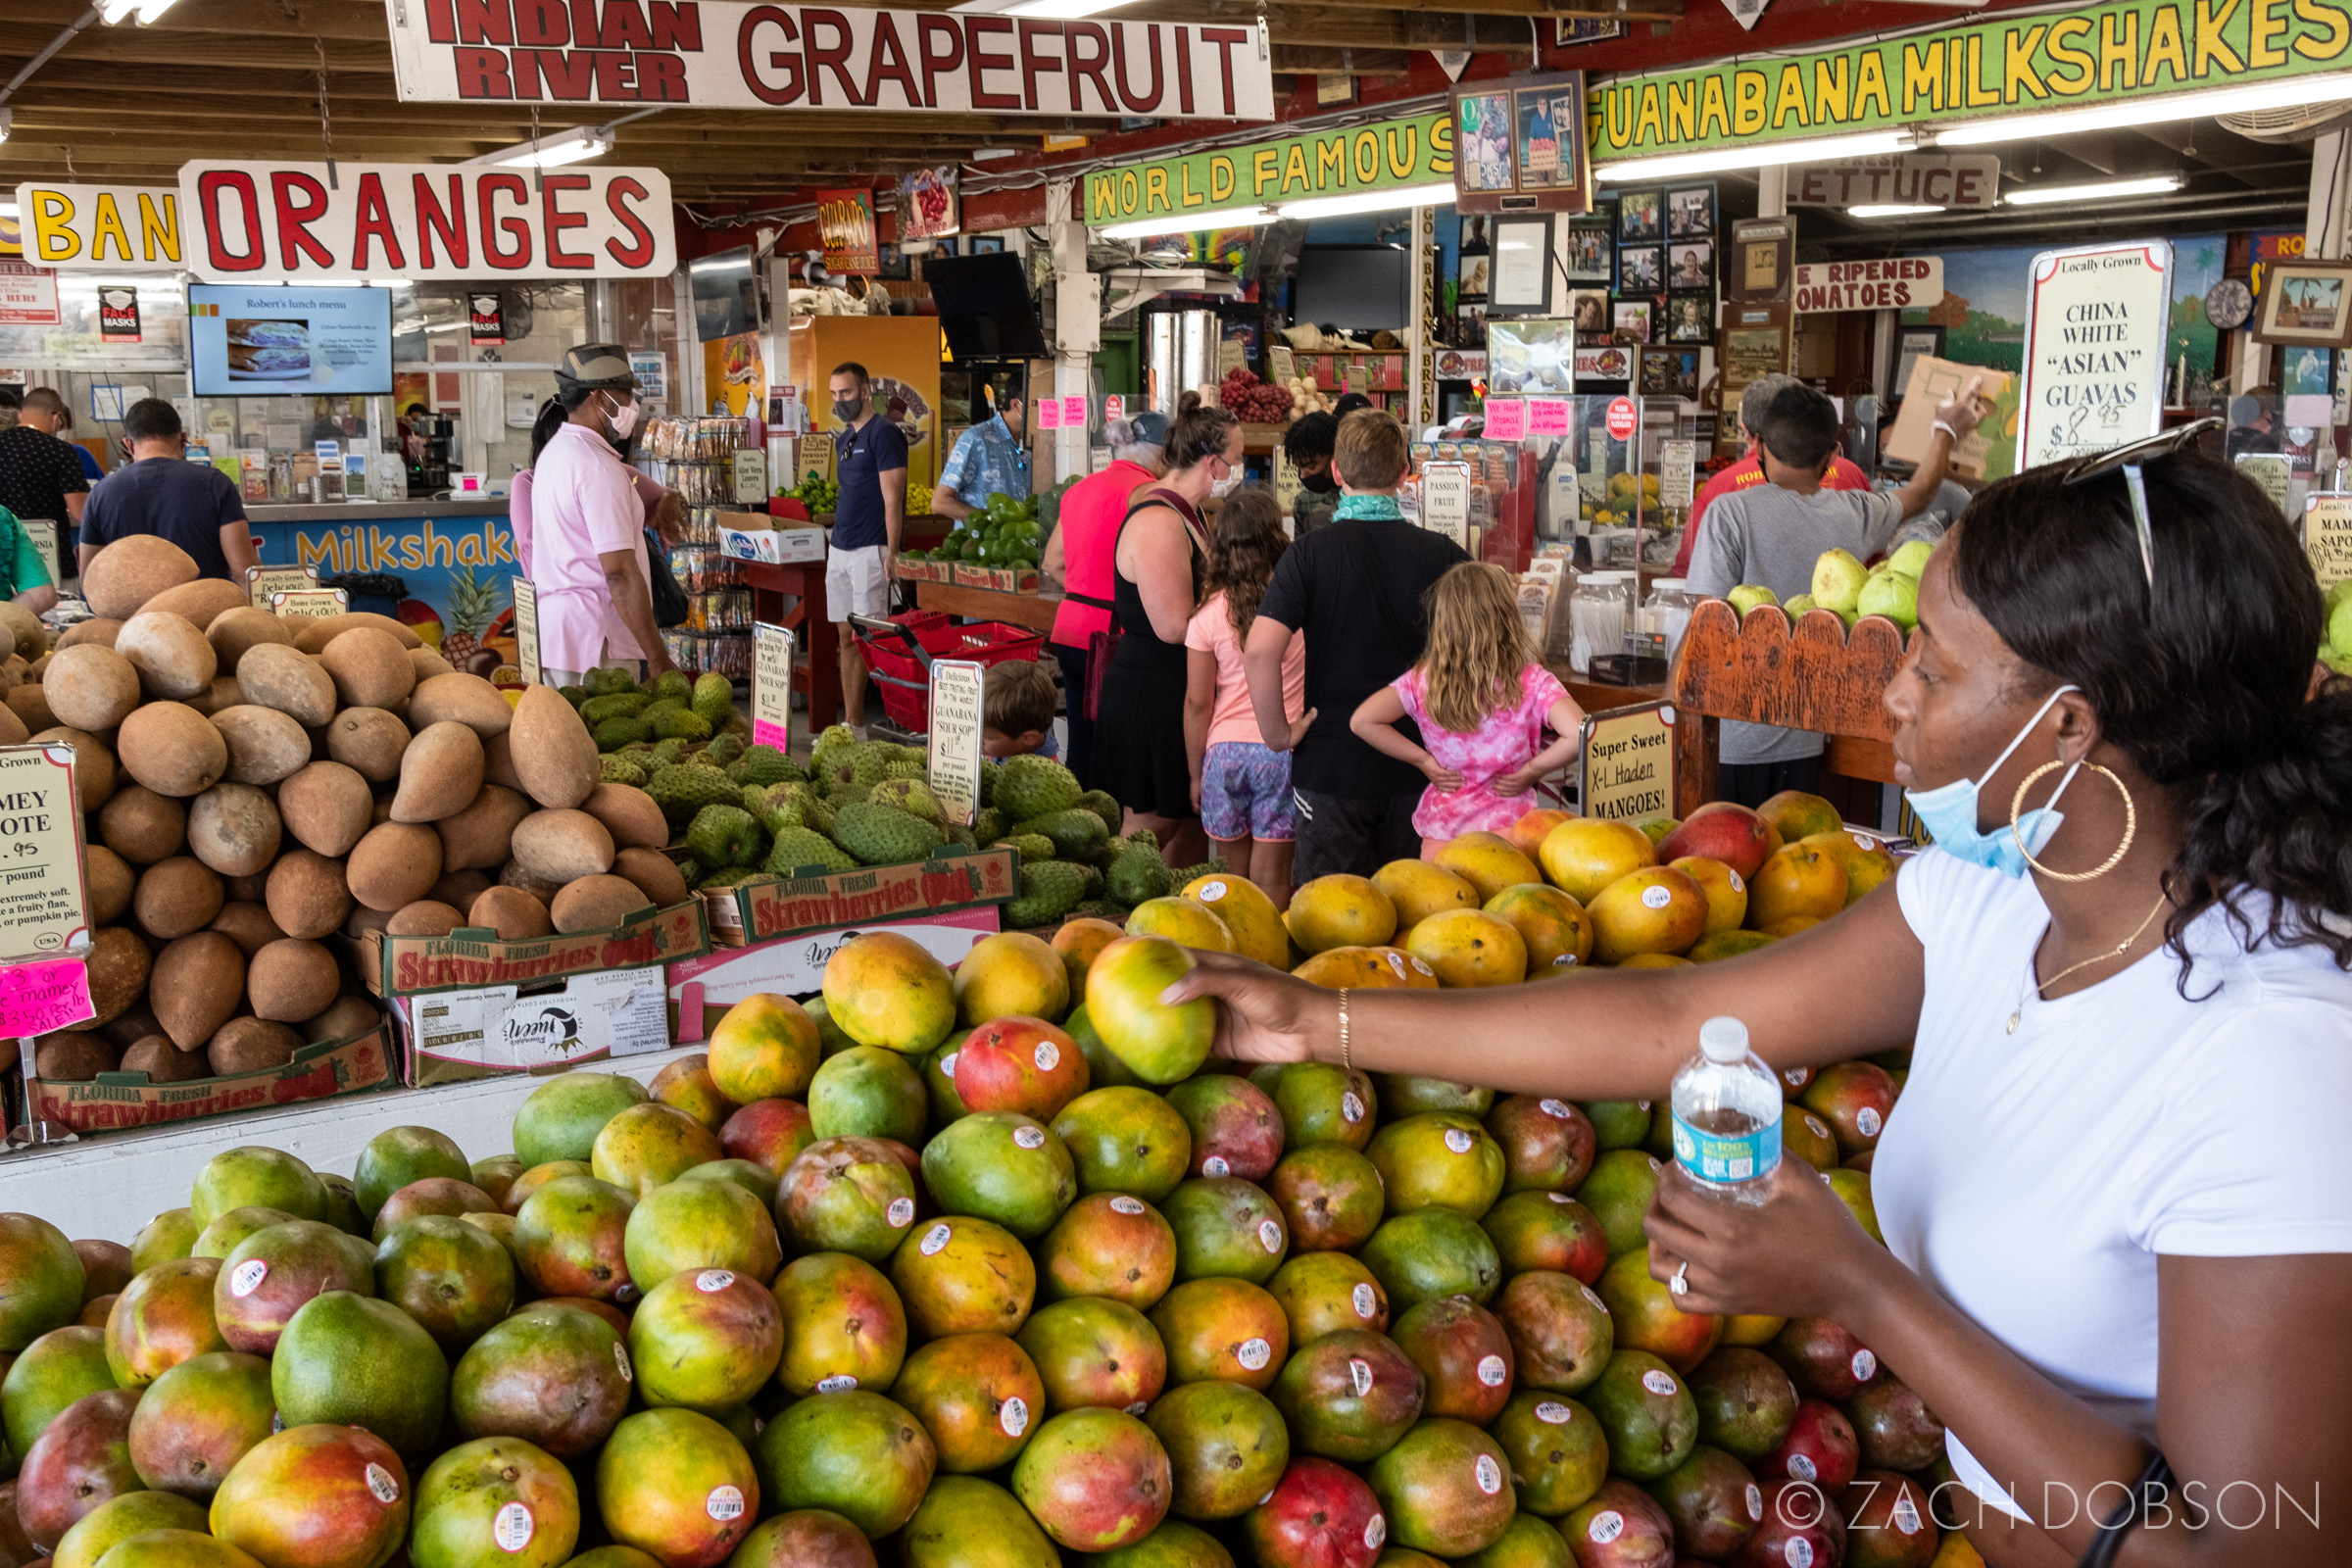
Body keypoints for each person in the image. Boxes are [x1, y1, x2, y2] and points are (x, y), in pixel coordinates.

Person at [1173, 435, 2352, 1568]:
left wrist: (1856, 1285)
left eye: (1932, 665)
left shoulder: (2270, 1056)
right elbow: (1673, 1021)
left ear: (2070, 725)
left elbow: (2252, 1544)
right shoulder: (1989, 901)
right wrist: (1308, 1018)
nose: (1892, 691)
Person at [1689, 380, 1977, 808]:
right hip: (1807, 733)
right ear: (1831, 456)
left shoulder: (1729, 514)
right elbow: (1921, 493)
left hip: (1733, 734)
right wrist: (1944, 432)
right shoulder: (1854, 514)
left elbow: (1703, 623)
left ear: (1760, 445)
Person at [1246, 409, 1468, 879]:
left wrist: (1277, 734)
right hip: (1420, 766)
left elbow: (1261, 649)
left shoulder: (1308, 553)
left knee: (1328, 923)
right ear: (1406, 472)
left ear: (1337, 472)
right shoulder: (1444, 553)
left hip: (1331, 766)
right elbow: (1488, 644)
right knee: (1413, 918)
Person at [1094, 397, 1239, 870]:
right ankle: (1108, 921)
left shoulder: (1192, 514)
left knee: (1189, 823)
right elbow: (1174, 625)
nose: (1236, 470)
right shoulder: (1159, 520)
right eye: (1236, 461)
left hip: (1179, 687)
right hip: (1151, 692)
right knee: (1153, 826)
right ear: (1212, 462)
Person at [1349, 561, 1583, 852]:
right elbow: (1579, 733)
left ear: (1443, 622)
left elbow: (1362, 721)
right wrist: (1532, 771)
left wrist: (1424, 762)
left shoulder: (1421, 680)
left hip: (1443, 833)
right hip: (1510, 831)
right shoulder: (1533, 681)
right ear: (1507, 617)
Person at [525, 346, 676, 687]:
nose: (631, 407)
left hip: (559, 641)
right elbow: (619, 573)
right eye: (625, 396)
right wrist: (659, 658)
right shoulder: (597, 468)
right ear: (600, 398)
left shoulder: (555, 454)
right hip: (599, 648)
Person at [1184, 485, 1305, 909]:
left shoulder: (1205, 615)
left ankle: (1237, 953)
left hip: (1225, 755)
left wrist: (1197, 775)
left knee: (1233, 878)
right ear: (1277, 535)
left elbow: (1197, 703)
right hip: (1282, 750)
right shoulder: (1299, 604)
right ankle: (1270, 965)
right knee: (1273, 876)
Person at [1043, 412, 1169, 787]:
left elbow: (1053, 562)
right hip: (1114, 638)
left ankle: (1078, 818)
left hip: (1070, 629)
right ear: (1161, 454)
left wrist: (1087, 590)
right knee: (1120, 747)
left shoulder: (1079, 489)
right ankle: (1109, 830)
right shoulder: (1145, 494)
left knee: (1082, 739)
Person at [1671, 372, 1873, 577]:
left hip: (1753, 608)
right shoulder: (1853, 473)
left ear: (1746, 431)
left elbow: (1689, 573)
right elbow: (1875, 563)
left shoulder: (1720, 487)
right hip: (1841, 608)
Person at [77, 399, 258, 584]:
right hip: (207, 610)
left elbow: (89, 580)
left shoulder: (100, 493)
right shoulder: (216, 484)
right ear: (183, 439)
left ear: (128, 444)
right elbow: (244, 573)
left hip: (133, 614)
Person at [512, 397, 683, 580]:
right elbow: (531, 547)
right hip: (584, 592)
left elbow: (666, 497)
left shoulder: (609, 470)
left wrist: (665, 518)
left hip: (603, 590)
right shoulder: (529, 482)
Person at [827, 361, 907, 734]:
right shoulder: (845, 438)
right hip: (840, 547)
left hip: (870, 550)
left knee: (869, 637)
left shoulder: (884, 434)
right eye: (833, 394)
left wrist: (892, 552)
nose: (839, 400)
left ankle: (896, 717)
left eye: (844, 392)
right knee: (845, 636)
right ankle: (852, 725)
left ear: (863, 391)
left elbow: (894, 499)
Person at [0, 388, 91, 552]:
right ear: (55, 418)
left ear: (20, 414)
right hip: (49, 552)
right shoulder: (61, 450)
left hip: (5, 551)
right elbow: (81, 512)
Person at [931, 390, 1029, 521]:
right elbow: (940, 502)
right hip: (981, 539)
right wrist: (990, 519)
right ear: (1016, 405)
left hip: (1023, 538)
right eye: (1036, 405)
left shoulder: (1033, 442)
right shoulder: (975, 439)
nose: (1041, 412)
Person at [981, 659, 1060, 761]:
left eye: (986, 737)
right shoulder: (1006, 743)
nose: (976, 739)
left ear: (1029, 738)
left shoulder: (1043, 775)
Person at [1280, 414, 1341, 535]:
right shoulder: (1304, 501)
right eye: (1298, 467)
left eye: (1311, 467)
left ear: (1336, 455)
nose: (1302, 475)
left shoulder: (1362, 496)